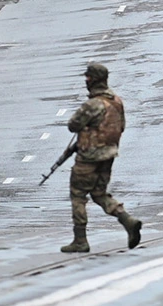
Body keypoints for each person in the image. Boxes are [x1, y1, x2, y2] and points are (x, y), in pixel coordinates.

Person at [60, 63, 142, 253]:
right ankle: (128, 221)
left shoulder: (93, 104)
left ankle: (80, 240)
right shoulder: (116, 102)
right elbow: (121, 126)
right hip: (109, 155)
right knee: (99, 193)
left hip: (88, 158)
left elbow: (73, 125)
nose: (86, 81)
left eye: (88, 78)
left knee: (78, 195)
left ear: (94, 79)